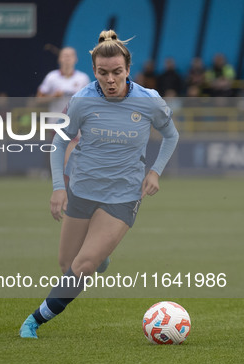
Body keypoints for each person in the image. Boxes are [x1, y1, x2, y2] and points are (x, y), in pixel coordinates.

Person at [20, 30, 179, 339]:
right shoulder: (81, 101)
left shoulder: (150, 102)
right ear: (93, 72)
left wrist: (155, 171)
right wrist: (58, 187)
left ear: (128, 69)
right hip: (81, 189)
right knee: (67, 263)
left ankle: (34, 320)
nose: (110, 79)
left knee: (83, 265)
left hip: (123, 195)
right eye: (103, 73)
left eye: (117, 72)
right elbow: (59, 142)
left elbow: (171, 135)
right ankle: (101, 255)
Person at [36, 47, 91, 113]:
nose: (67, 58)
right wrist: (53, 97)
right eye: (64, 55)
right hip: (55, 120)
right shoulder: (51, 77)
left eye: (70, 55)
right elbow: (38, 99)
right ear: (59, 59)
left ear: (75, 59)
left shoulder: (83, 78)